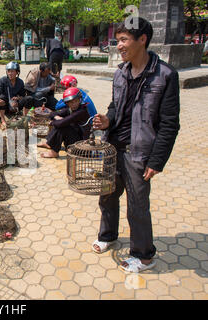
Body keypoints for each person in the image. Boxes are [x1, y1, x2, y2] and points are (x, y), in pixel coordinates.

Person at [92, 17, 180, 273]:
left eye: (123, 40)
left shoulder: (165, 75)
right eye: (117, 40)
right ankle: (107, 236)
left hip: (139, 152)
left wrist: (157, 161)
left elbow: (169, 124)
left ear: (142, 39)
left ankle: (143, 255)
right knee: (107, 195)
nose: (118, 45)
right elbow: (115, 106)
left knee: (137, 206)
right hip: (113, 146)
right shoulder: (120, 73)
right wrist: (107, 120)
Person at [38, 87, 90, 158]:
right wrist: (57, 118)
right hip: (73, 139)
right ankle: (49, 143)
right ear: (67, 103)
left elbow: (60, 123)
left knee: (62, 127)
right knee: (61, 123)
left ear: (79, 100)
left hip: (81, 145)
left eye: (76, 101)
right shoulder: (70, 109)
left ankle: (54, 152)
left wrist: (54, 121)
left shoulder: (81, 111)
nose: (74, 104)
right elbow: (52, 114)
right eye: (71, 102)